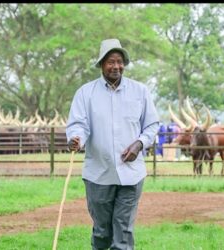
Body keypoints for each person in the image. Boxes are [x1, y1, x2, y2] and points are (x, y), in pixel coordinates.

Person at [66, 38, 159, 250]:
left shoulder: (140, 92)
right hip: (98, 173)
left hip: (131, 173)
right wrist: (76, 139)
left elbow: (152, 125)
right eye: (110, 61)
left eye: (120, 61)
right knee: (102, 231)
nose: (116, 66)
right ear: (101, 64)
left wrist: (139, 144)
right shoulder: (85, 93)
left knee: (123, 230)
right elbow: (79, 125)